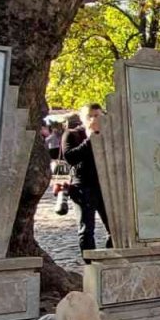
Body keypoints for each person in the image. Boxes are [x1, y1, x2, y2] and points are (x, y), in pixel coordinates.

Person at [62, 105, 112, 252]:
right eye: (90, 116)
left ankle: (110, 259)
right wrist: (90, 139)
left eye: (97, 115)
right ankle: (90, 265)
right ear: (83, 119)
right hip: (83, 187)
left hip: (106, 185)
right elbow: (70, 157)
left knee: (115, 228)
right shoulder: (72, 135)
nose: (94, 119)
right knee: (86, 229)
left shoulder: (109, 134)